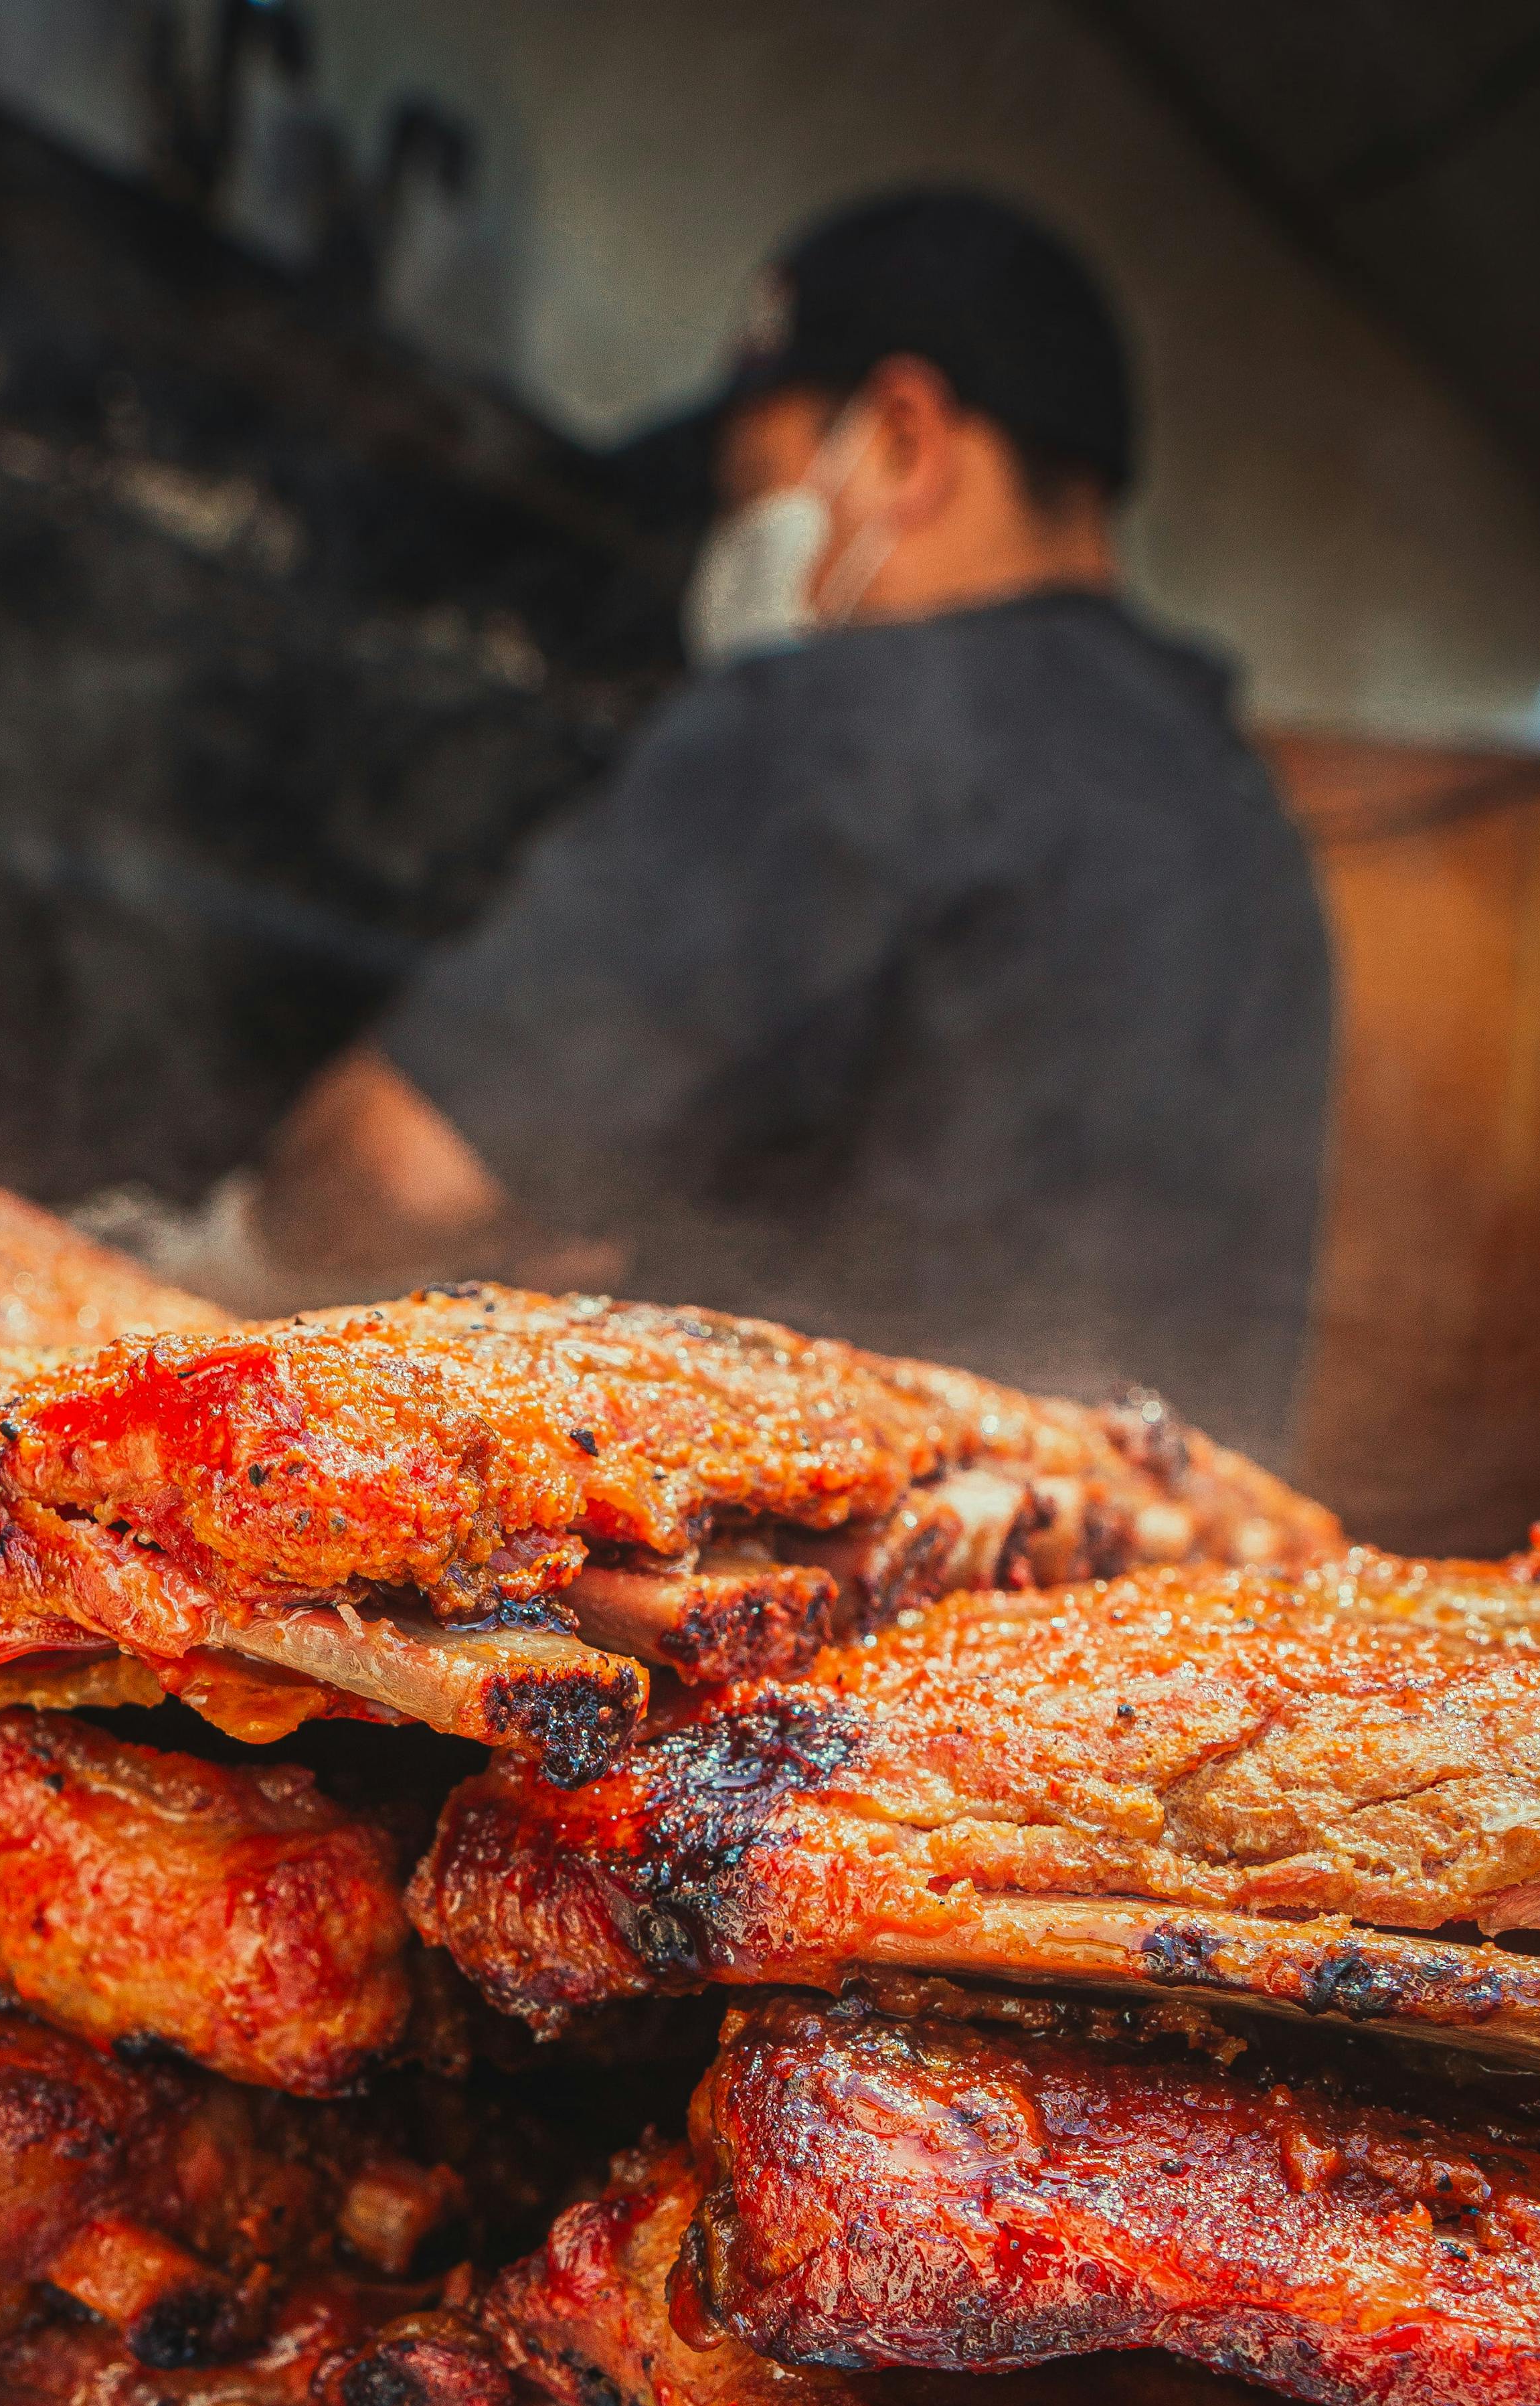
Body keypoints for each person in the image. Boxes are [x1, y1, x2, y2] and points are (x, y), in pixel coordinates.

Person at [231, 185, 1334, 1462]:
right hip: (1170, 1608)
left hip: (833, 1608)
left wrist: (225, 1241)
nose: (736, 549)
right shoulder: (1246, 820)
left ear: (905, 442)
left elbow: (389, 1178)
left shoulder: (844, 717)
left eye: (752, 494)